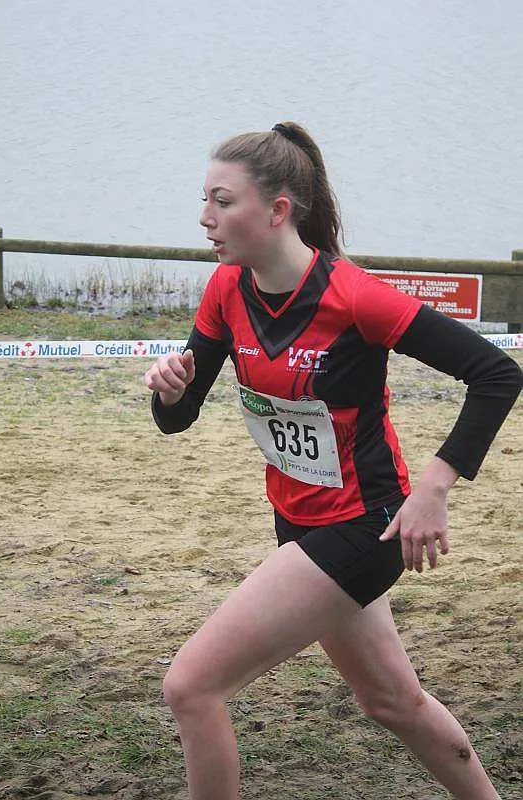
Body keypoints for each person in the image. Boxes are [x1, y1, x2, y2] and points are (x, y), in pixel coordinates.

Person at [144, 122, 522, 800]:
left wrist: (434, 488)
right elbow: (178, 417)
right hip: (298, 521)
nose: (205, 217)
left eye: (223, 201)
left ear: (278, 210)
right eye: (204, 199)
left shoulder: (354, 297)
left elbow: (496, 374)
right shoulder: (227, 288)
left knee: (192, 687)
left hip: (366, 525)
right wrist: (169, 391)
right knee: (393, 702)